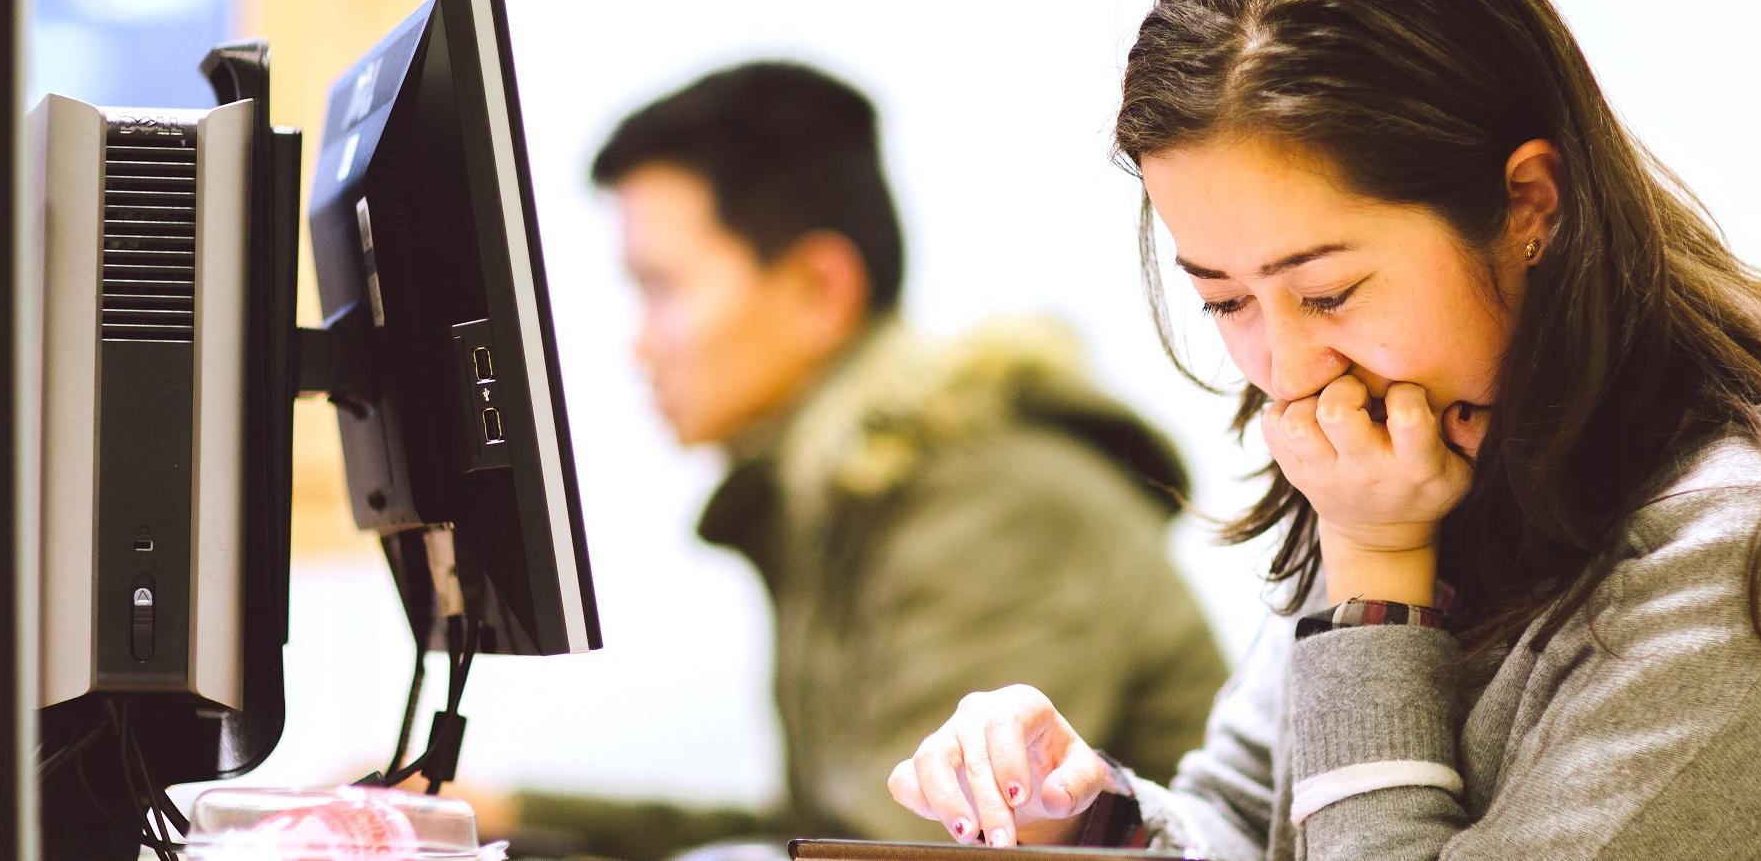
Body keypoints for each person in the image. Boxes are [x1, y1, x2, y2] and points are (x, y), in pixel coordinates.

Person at [888, 0, 1761, 858]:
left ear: (1529, 205)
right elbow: (1255, 822)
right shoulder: (1407, 460)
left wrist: (1375, 593)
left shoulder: (1748, 553)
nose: (1288, 372)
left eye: (1328, 294)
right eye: (1224, 301)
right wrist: (1089, 818)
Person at [506, 62, 1230, 859]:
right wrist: (502, 815)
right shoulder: (856, 493)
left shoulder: (989, 502)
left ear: (820, 287)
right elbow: (812, 833)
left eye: (661, 286)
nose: (639, 345)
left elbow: (906, 855)